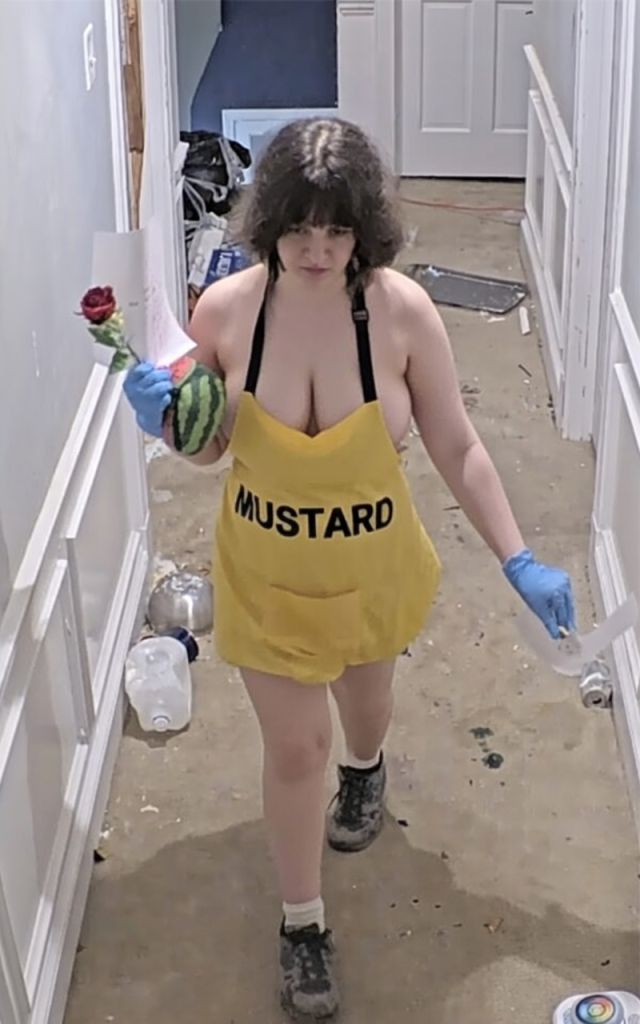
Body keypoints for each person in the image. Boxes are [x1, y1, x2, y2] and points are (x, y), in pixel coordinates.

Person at [122, 117, 576, 1021]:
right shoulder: (226, 312)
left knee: (364, 711)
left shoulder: (402, 314)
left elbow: (457, 443)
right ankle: (302, 924)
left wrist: (518, 556)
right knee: (297, 749)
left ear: (365, 228)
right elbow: (208, 449)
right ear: (270, 223)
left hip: (373, 568)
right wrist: (166, 420)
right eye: (299, 230)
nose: (318, 251)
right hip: (265, 574)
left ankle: (367, 769)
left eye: (337, 232)